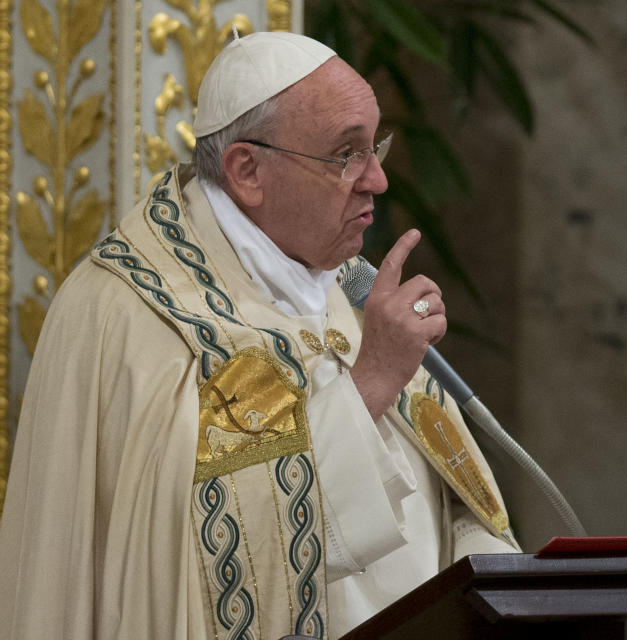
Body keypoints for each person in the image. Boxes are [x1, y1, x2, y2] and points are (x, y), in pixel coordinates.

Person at [0, 31, 519, 639]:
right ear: (248, 171)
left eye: (374, 145)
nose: (377, 180)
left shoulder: (353, 292)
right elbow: (190, 558)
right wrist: (372, 378)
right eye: (346, 155)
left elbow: (456, 508)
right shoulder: (126, 311)